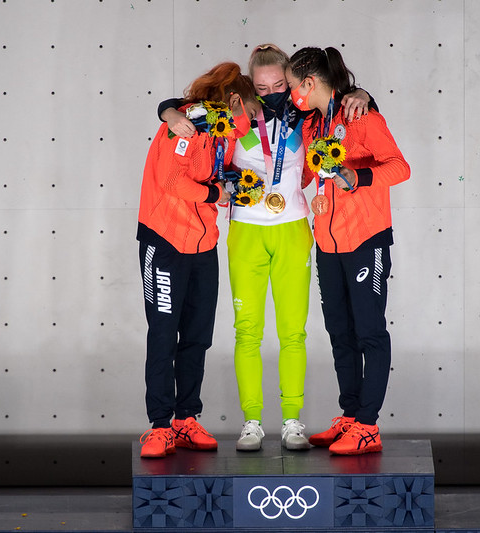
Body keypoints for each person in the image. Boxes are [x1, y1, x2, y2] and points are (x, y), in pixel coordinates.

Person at [159, 44, 373, 451]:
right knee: (247, 333)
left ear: (291, 82)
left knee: (293, 333)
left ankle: (292, 422)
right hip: (246, 233)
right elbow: (182, 107)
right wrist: (167, 112)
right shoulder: (234, 111)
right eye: (262, 87)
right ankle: (252, 423)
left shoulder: (306, 114)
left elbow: (340, 100)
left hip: (293, 230)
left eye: (279, 85)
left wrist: (364, 94)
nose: (272, 92)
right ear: (249, 85)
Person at [286, 46, 410, 455]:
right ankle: (351, 416)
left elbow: (400, 167)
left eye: (292, 86)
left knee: (369, 331)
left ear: (309, 83)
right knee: (340, 333)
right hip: (328, 242)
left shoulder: (362, 116)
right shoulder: (311, 124)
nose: (291, 94)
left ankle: (369, 426)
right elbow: (309, 173)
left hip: (365, 239)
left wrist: (359, 177)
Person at [137, 62, 260, 458]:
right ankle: (160, 426)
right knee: (163, 334)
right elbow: (171, 180)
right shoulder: (186, 124)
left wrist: (232, 185)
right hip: (165, 241)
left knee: (197, 336)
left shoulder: (223, 131)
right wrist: (215, 194)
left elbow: (210, 174)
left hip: (204, 245)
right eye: (250, 112)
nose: (250, 122)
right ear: (234, 100)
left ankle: (185, 419)